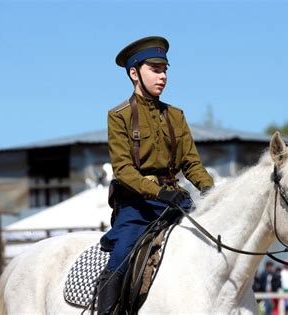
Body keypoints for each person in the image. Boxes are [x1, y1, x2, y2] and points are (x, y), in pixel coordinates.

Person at [98, 36, 214, 314]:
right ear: (134, 73)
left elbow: (192, 164)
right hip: (137, 206)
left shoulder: (176, 116)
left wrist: (211, 191)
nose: (163, 76)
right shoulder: (119, 116)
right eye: (155, 69)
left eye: (165, 70)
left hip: (175, 202)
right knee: (122, 257)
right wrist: (159, 192)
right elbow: (123, 170)